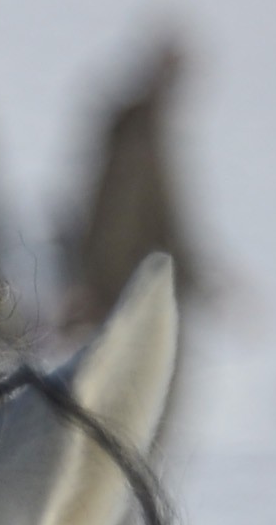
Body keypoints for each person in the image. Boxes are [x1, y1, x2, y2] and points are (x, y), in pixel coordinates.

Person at [60, 29, 211, 368]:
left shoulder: (152, 132)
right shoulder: (135, 135)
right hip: (130, 293)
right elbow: (114, 217)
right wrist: (95, 283)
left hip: (146, 290)